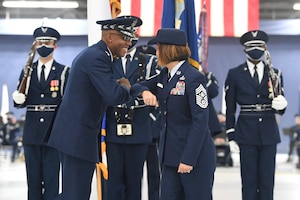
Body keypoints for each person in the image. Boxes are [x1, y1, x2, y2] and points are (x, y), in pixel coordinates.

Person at [46, 16, 140, 200]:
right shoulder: (97, 58)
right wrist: (126, 86)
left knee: (76, 192)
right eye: (125, 38)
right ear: (110, 37)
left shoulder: (98, 55)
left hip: (78, 135)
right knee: (75, 194)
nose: (129, 43)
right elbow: (114, 96)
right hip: (77, 137)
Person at [130, 28, 216, 200]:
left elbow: (200, 122)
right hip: (169, 156)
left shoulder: (194, 78)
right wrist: (146, 93)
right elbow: (136, 86)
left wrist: (189, 159)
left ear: (169, 49)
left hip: (193, 157)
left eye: (159, 48)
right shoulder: (164, 75)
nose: (157, 53)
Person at [225, 30, 288, 200]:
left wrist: (282, 105)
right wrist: (230, 134)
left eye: (259, 46)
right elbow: (230, 107)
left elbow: (279, 105)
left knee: (267, 182)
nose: (256, 50)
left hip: (268, 131)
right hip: (246, 131)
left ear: (265, 48)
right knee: (249, 180)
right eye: (252, 46)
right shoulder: (235, 74)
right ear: (245, 49)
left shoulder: (275, 73)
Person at [12, 26, 69, 200]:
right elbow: (19, 102)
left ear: (55, 45)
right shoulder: (26, 70)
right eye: (40, 42)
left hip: (53, 132)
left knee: (52, 181)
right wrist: (18, 98)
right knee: (33, 182)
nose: (44, 45)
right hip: (32, 132)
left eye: (48, 42)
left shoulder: (64, 72)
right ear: (35, 45)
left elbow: (66, 103)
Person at [105, 36, 160, 200]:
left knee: (134, 182)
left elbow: (158, 90)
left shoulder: (149, 61)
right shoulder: (108, 60)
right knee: (113, 182)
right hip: (112, 125)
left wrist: (151, 118)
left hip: (139, 125)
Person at [136, 44, 161, 200]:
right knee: (135, 174)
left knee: (155, 174)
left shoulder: (157, 76)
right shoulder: (136, 74)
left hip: (154, 132)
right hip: (138, 130)